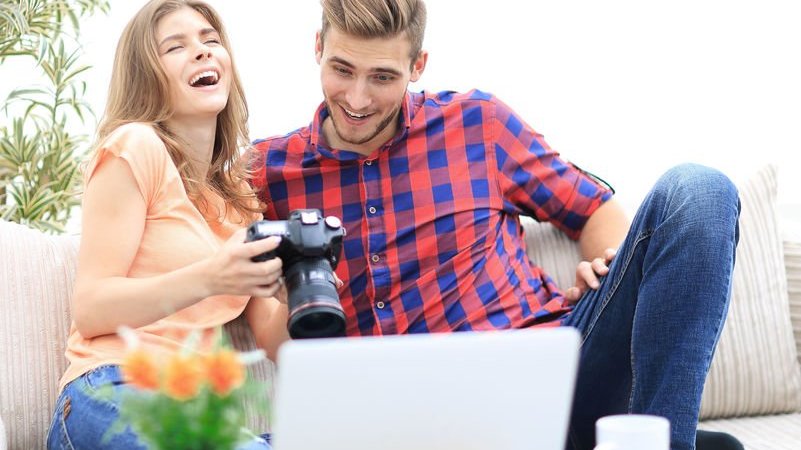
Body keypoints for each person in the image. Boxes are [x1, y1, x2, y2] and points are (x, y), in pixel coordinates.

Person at [248, 1, 743, 449]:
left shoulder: (478, 124)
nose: (357, 98)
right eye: (342, 69)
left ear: (417, 66)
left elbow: (594, 210)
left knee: (700, 191)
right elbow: (266, 330)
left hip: (561, 373)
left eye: (382, 76)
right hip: (409, 423)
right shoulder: (266, 173)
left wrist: (603, 260)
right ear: (318, 48)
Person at [46, 1, 283, 449]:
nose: (201, 52)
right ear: (146, 77)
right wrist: (211, 277)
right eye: (175, 47)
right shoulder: (135, 146)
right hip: (112, 389)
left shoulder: (242, 202)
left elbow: (276, 340)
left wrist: (303, 287)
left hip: (196, 411)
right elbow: (92, 307)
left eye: (210, 40)